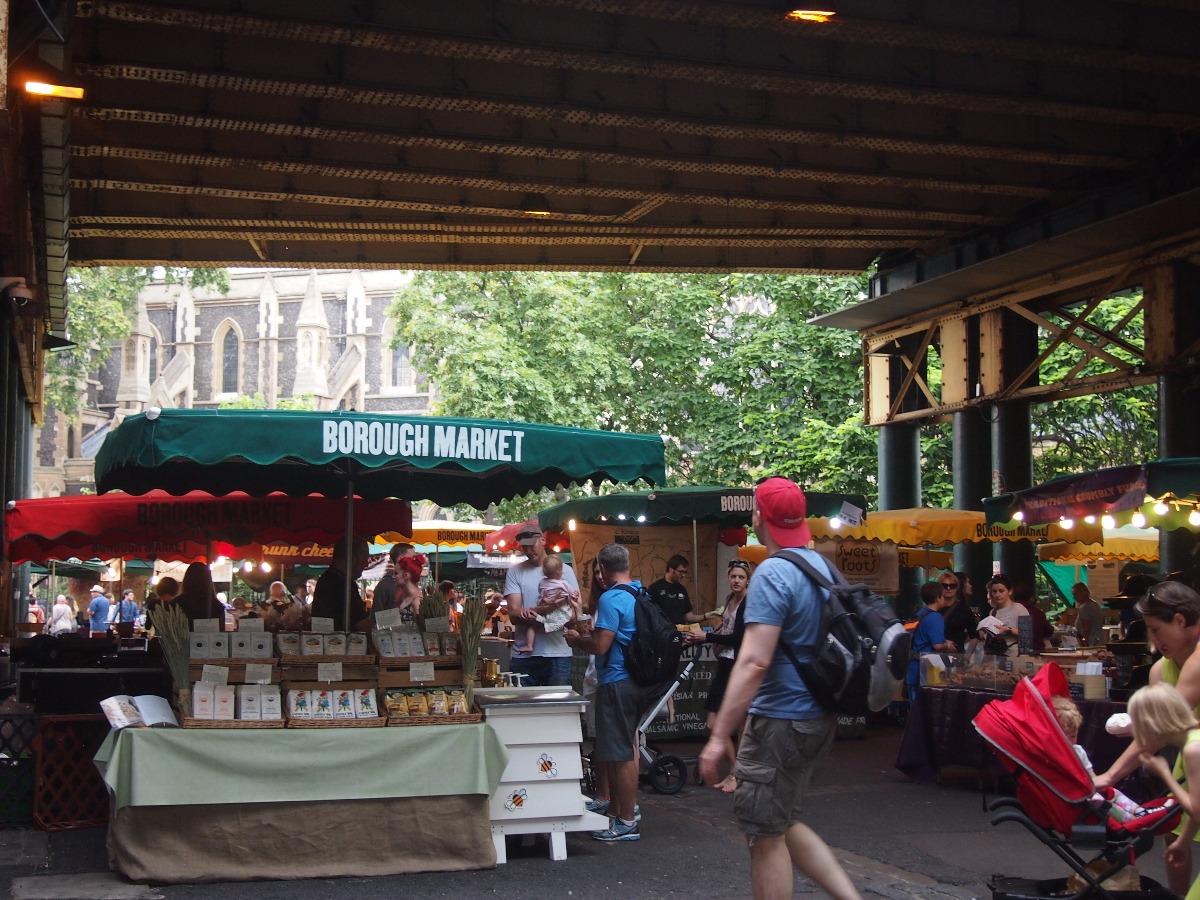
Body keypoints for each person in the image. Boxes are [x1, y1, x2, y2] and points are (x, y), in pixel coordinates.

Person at [699, 476, 861, 900]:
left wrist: (718, 737)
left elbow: (754, 660)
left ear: (758, 518)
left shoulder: (772, 572)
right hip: (817, 716)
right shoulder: (821, 566)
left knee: (764, 835)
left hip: (779, 721)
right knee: (783, 822)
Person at [1094, 581, 1200, 895]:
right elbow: (1156, 731)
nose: (1153, 640)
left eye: (1156, 629)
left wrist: (1110, 775)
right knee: (1175, 832)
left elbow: (1159, 728)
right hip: (1190, 754)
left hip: (1192, 753)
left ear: (1180, 621)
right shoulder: (1160, 671)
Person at [563, 543, 649, 842]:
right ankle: (623, 810)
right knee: (630, 747)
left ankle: (625, 821)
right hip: (638, 680)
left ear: (603, 568)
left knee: (620, 753)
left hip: (616, 679)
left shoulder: (612, 599)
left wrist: (577, 640)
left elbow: (601, 645)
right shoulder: (640, 593)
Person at [1051, 694, 1173, 824]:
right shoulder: (1051, 757)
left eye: (1075, 735)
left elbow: (1093, 778)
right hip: (1074, 799)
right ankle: (1133, 821)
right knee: (1098, 800)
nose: (1073, 741)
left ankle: (1139, 811)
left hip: (1088, 790)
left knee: (1112, 792)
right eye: (1068, 737)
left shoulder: (1078, 751)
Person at [686, 557, 751, 792]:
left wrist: (708, 637)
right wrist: (709, 632)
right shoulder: (730, 600)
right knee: (715, 723)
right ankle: (735, 772)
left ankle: (738, 775)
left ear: (747, 580)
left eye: (741, 577)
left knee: (741, 725)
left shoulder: (747, 602)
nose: (736, 580)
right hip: (724, 662)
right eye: (733, 576)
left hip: (739, 665)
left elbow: (740, 638)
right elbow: (727, 630)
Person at [1131, 683, 1200, 900]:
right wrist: (1183, 842)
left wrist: (1165, 774)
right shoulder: (1194, 741)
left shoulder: (1193, 749)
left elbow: (1197, 810)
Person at [504, 521, 578, 686]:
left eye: (532, 545)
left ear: (543, 540)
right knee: (523, 708)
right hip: (523, 655)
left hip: (558, 652)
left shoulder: (565, 570)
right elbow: (514, 615)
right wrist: (549, 610)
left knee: (558, 708)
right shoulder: (515, 571)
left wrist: (535, 614)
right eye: (524, 547)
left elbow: (574, 614)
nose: (529, 550)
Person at [516, 556, 582, 651]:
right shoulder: (563, 583)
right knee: (568, 619)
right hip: (560, 611)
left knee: (533, 626)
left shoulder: (542, 582)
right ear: (559, 572)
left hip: (544, 612)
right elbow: (573, 593)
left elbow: (541, 592)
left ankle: (529, 645)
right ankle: (559, 629)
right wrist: (573, 596)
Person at [908, 581, 957, 702]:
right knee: (926, 709)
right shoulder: (936, 617)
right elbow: (937, 645)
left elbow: (923, 637)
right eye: (943, 596)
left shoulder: (920, 613)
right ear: (938, 598)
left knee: (914, 709)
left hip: (912, 668)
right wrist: (948, 645)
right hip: (926, 670)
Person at [311, 536, 371, 631]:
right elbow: (361, 624)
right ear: (352, 559)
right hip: (338, 643)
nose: (367, 564)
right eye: (365, 558)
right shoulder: (341, 584)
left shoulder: (330, 579)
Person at [647, 555, 713, 626]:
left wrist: (706, 616)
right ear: (671, 570)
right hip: (662, 633)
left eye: (685, 572)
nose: (683, 575)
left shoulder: (682, 589)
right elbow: (647, 614)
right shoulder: (655, 588)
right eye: (681, 572)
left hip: (680, 632)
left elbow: (688, 617)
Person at [978, 574, 1029, 657]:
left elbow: (1027, 633)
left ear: (1010, 591)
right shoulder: (993, 611)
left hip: (1014, 655)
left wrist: (1007, 629)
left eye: (1001, 591)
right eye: (994, 591)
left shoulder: (1019, 608)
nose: (997, 595)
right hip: (996, 654)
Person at [373, 543, 416, 616]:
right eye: (412, 558)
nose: (415, 561)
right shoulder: (385, 585)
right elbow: (376, 618)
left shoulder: (411, 582)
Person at [939, 572, 976, 651]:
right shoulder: (934, 608)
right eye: (944, 586)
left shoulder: (964, 609)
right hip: (935, 655)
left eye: (952, 586)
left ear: (957, 588)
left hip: (956, 654)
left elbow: (974, 635)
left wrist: (967, 657)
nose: (948, 588)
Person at [1073, 582, 1105, 647]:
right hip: (1099, 641)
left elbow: (1086, 629)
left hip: (1090, 643)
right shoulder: (1096, 604)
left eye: (1075, 594)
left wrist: (1083, 643)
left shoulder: (1084, 608)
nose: (1074, 597)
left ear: (1082, 593)